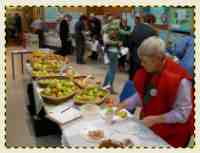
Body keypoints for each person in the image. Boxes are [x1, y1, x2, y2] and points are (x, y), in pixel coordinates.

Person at [116, 36, 194, 147]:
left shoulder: (181, 80)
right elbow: (144, 95)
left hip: (172, 135)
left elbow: (183, 114)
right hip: (151, 128)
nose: (142, 64)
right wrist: (126, 103)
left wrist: (156, 119)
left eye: (144, 61)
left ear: (158, 58)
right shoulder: (150, 69)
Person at [128, 14, 158, 79]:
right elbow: (154, 47)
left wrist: (129, 53)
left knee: (132, 75)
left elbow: (131, 41)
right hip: (145, 58)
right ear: (152, 22)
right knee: (142, 78)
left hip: (134, 55)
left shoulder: (137, 27)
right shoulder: (153, 31)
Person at [103, 16, 122, 94]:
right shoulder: (106, 30)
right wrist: (117, 43)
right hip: (111, 52)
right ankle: (110, 88)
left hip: (113, 51)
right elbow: (106, 41)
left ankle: (105, 85)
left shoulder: (110, 29)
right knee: (112, 71)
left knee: (110, 70)